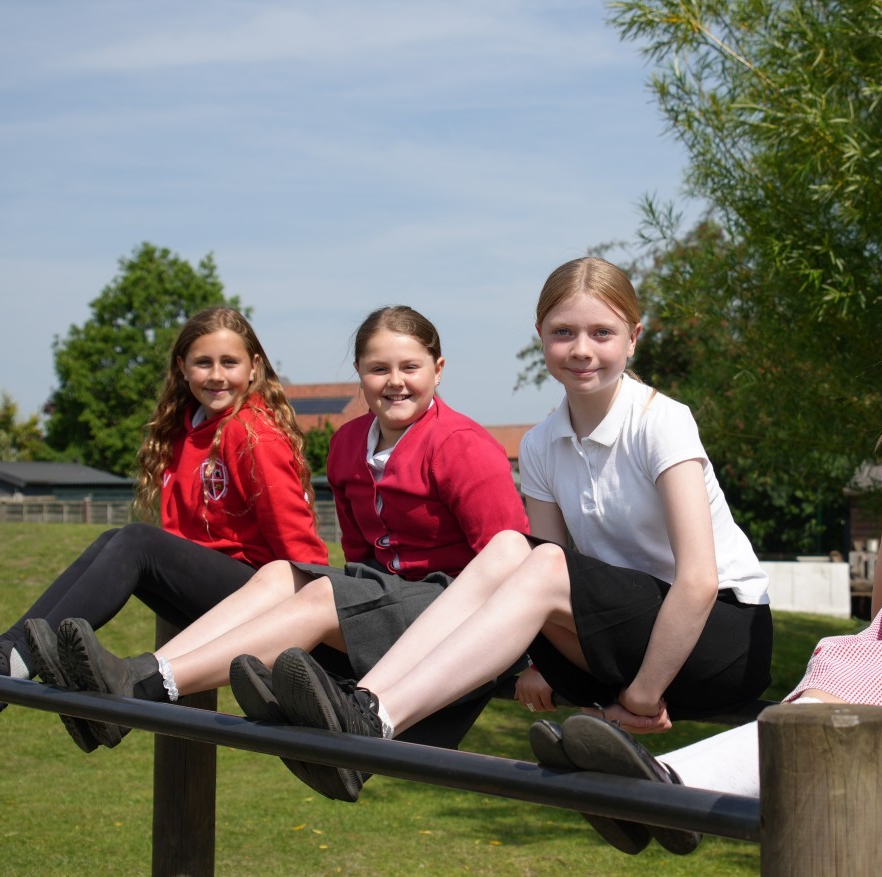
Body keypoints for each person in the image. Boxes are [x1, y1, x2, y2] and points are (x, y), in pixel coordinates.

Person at [536, 259, 882, 855]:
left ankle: (665, 788)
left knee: (824, 720)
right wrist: (877, 644)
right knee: (824, 700)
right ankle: (658, 790)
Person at [219, 257, 773, 824]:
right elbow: (555, 573)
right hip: (623, 638)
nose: (582, 349)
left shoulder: (661, 421)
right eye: (563, 332)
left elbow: (700, 581)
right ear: (541, 339)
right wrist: (543, 661)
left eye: (601, 332)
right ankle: (366, 706)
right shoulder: (540, 445)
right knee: (512, 548)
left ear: (633, 337)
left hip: (717, 637)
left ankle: (373, 720)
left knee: (529, 557)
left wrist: (642, 697)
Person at [49, 306, 528, 798]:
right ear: (360, 374)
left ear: (438, 369)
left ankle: (145, 687)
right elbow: (361, 555)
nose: (395, 382)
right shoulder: (346, 444)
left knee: (321, 594)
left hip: (455, 609)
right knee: (282, 574)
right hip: (392, 599)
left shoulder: (463, 444)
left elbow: (511, 561)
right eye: (378, 369)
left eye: (410, 368)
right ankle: (136, 681)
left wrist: (531, 664)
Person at [0, 307, 328, 741]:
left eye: (229, 363)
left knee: (138, 542)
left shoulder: (253, 433)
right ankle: (3, 659)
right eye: (203, 362)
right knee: (116, 538)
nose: (216, 375)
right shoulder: (187, 431)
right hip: (217, 596)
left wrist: (320, 630)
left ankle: (4, 664)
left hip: (261, 600)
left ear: (254, 366)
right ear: (181, 368)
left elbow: (300, 545)